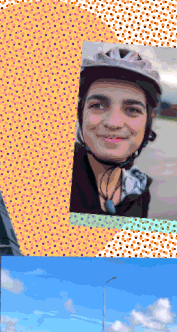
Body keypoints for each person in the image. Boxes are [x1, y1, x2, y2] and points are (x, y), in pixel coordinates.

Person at [70, 47, 161, 218]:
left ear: (148, 123)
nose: (113, 123)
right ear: (81, 113)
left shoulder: (140, 192)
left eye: (132, 110)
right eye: (98, 105)